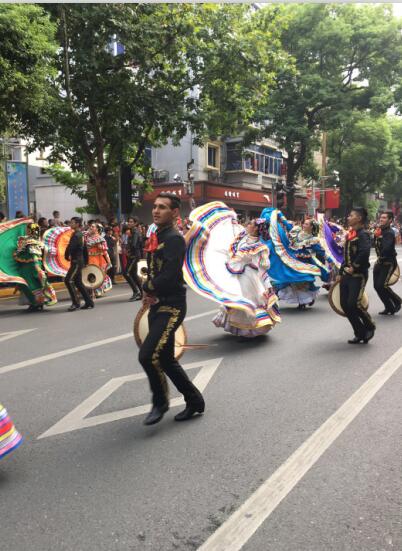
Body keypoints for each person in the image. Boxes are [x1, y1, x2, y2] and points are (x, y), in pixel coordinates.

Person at [139, 192, 205, 426]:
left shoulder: (174, 238)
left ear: (175, 212)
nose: (156, 210)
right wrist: (148, 291)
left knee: (147, 355)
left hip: (172, 306)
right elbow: (156, 270)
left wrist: (147, 286)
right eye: (155, 206)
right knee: (166, 360)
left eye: (162, 207)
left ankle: (160, 402)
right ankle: (195, 401)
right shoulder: (158, 234)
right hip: (158, 304)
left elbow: (168, 276)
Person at [338, 207, 376, 344]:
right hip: (346, 274)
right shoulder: (351, 234)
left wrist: (354, 267)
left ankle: (370, 326)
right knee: (344, 305)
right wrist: (340, 272)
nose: (348, 217)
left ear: (358, 218)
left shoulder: (363, 234)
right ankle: (360, 332)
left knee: (354, 303)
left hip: (358, 274)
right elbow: (346, 256)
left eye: (351, 215)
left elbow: (365, 252)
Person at [13, 223, 57, 311]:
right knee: (33, 285)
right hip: (27, 267)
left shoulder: (32, 242)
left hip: (31, 267)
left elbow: (35, 255)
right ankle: (36, 303)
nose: (27, 231)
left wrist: (37, 267)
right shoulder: (29, 240)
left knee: (32, 285)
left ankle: (37, 303)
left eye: (28, 229)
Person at [373, 211, 402, 315]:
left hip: (388, 263)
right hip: (379, 262)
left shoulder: (389, 232)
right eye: (381, 217)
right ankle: (389, 307)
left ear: (390, 220)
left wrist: (382, 257)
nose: (381, 219)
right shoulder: (379, 231)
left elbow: (387, 247)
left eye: (384, 218)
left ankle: (397, 301)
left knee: (381, 286)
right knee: (376, 286)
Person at [64, 216, 94, 311]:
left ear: (77, 224)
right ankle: (89, 302)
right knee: (78, 282)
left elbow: (71, 247)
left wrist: (67, 254)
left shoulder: (77, 235)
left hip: (76, 261)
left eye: (72, 222)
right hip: (79, 261)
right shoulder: (80, 234)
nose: (70, 224)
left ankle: (76, 303)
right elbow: (85, 249)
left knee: (68, 280)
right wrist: (86, 261)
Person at [85, 222, 112, 298]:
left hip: (97, 259)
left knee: (96, 275)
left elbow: (105, 251)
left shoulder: (100, 238)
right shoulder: (87, 237)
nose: (91, 227)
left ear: (97, 229)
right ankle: (91, 291)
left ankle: (95, 291)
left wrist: (109, 261)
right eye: (91, 226)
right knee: (88, 275)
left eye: (93, 227)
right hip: (88, 258)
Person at [123, 216, 143, 301]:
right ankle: (142, 293)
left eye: (131, 222)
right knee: (133, 274)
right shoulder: (132, 231)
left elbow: (134, 244)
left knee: (126, 273)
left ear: (135, 223)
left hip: (134, 256)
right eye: (129, 222)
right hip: (133, 255)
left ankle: (136, 292)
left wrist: (128, 251)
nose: (129, 223)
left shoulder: (135, 231)